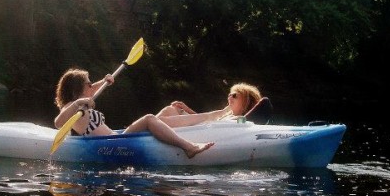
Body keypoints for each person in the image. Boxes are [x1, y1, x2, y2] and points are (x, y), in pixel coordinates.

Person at [54, 68, 214, 159]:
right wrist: (77, 103)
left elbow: (92, 89)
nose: (92, 86)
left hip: (116, 137)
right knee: (150, 119)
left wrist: (104, 81)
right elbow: (58, 123)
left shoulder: (83, 100)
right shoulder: (72, 105)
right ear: (77, 90)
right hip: (111, 144)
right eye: (89, 83)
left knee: (168, 111)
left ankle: (194, 127)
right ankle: (188, 147)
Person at [156, 83, 262, 128]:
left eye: (234, 95)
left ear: (246, 102)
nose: (229, 97)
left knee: (168, 111)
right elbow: (205, 121)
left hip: (195, 131)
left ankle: (148, 127)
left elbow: (244, 121)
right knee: (172, 109)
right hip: (194, 129)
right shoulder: (224, 115)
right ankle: (148, 128)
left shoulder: (239, 119)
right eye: (229, 94)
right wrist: (186, 109)